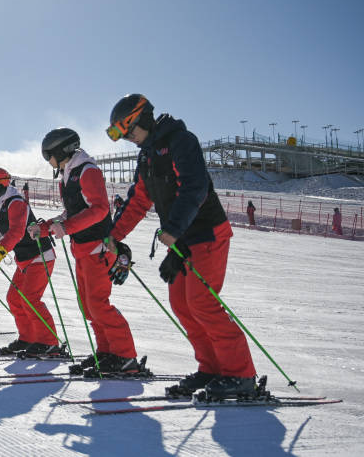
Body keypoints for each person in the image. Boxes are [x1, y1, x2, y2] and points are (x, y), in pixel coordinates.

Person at [107, 94, 256, 399]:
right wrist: (114, 235)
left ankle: (241, 374)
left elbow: (195, 186)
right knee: (182, 304)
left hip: (206, 234)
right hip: (181, 243)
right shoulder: (146, 155)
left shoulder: (180, 141)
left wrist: (173, 229)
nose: (127, 137)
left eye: (128, 129)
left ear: (143, 118)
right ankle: (212, 367)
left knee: (202, 303)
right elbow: (138, 200)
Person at [29, 128, 140, 375]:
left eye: (49, 155)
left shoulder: (88, 171)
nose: (49, 161)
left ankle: (125, 356)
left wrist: (66, 227)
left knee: (99, 304)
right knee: (88, 306)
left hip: (98, 247)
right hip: (82, 248)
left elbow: (99, 209)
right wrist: (46, 228)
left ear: (61, 150)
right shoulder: (69, 174)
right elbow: (72, 212)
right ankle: (106, 352)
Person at [0, 168, 62, 356]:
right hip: (25, 260)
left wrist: (1, 251)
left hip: (40, 256)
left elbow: (17, 231)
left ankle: (49, 343)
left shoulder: (16, 203)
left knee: (30, 299)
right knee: (14, 299)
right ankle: (28, 338)